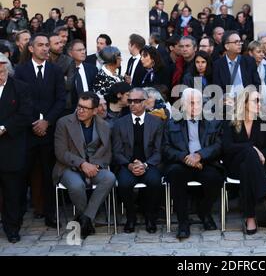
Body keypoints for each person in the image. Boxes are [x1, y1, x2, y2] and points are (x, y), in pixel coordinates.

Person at [14, 33, 66, 228]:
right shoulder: (20, 71)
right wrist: (35, 122)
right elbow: (19, 101)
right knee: (21, 175)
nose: (45, 48)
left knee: (48, 174)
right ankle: (16, 216)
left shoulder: (55, 70)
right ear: (31, 48)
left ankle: (50, 214)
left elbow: (61, 99)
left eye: (47, 45)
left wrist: (47, 122)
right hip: (27, 132)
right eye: (41, 45)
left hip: (49, 132)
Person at [53, 92, 116, 239]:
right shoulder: (63, 122)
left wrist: (94, 166)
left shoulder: (104, 126)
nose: (80, 110)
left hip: (94, 168)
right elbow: (61, 152)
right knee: (76, 186)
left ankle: (85, 219)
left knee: (109, 177)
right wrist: (82, 164)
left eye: (85, 108)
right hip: (68, 167)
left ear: (95, 111)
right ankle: (87, 220)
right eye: (79, 106)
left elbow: (107, 154)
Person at [222, 87, 266, 235]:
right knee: (248, 156)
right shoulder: (230, 121)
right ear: (244, 103)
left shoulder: (265, 121)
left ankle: (250, 217)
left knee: (247, 168)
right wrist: (254, 150)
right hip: (234, 165)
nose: (260, 104)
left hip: (261, 166)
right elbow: (227, 147)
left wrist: (256, 153)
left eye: (261, 101)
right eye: (256, 101)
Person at [163, 88, 223, 239]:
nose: (195, 106)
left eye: (198, 103)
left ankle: (204, 211)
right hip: (181, 163)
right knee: (176, 175)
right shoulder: (172, 123)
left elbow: (218, 145)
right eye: (191, 103)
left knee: (215, 178)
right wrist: (185, 157)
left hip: (205, 162)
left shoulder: (212, 121)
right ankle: (183, 222)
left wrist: (200, 155)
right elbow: (165, 148)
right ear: (182, 104)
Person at [113, 88, 164, 234]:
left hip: (149, 164)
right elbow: (116, 152)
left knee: (155, 182)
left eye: (137, 101)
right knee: (123, 184)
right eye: (130, 101)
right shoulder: (119, 123)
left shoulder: (156, 122)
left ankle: (150, 217)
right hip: (127, 165)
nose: (132, 104)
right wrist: (129, 165)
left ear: (145, 102)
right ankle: (131, 217)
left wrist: (145, 165)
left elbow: (158, 150)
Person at [0, 56, 33, 243]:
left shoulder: (20, 88)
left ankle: (12, 228)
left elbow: (26, 114)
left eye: (2, 71)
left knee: (13, 193)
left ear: (8, 70)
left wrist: (5, 128)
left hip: (11, 148)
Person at [212, 31, 260, 95]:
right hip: (228, 102)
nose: (239, 44)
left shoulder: (249, 61)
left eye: (240, 41)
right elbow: (216, 89)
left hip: (246, 100)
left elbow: (257, 84)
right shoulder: (218, 64)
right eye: (236, 42)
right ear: (227, 46)